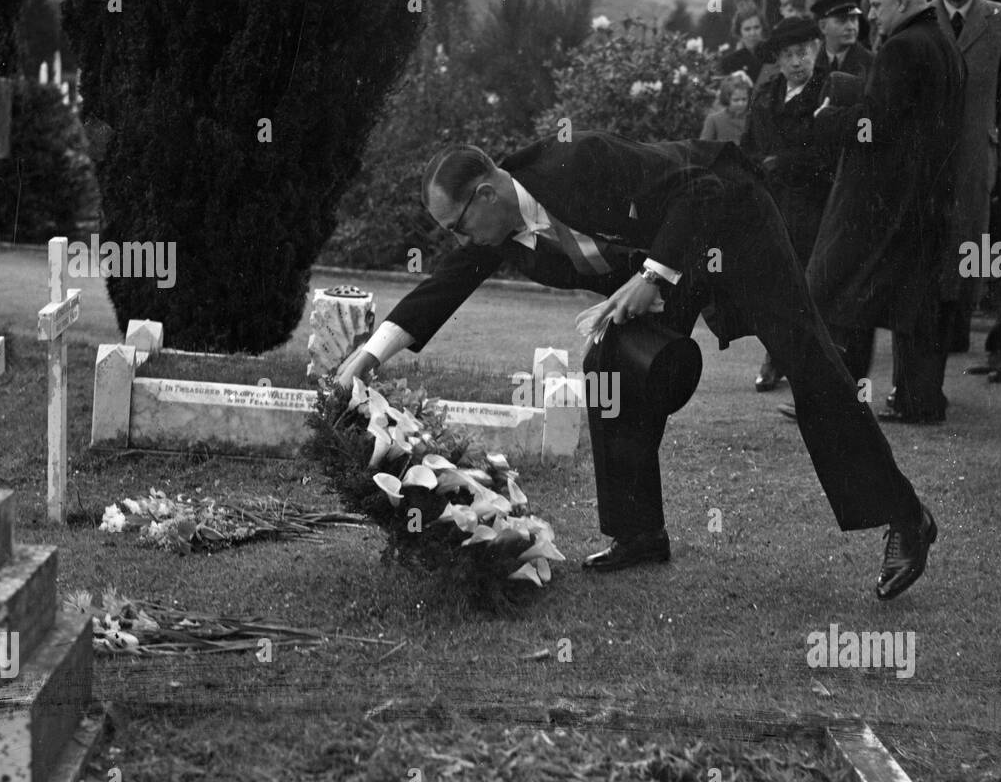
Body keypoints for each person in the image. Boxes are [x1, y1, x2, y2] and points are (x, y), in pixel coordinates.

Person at [334, 133, 939, 599]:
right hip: (667, 258)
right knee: (611, 366)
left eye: (458, 225)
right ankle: (639, 533)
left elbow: (703, 188)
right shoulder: (495, 231)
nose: (459, 240)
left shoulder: (577, 162)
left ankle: (905, 516)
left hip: (731, 219)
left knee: (810, 364)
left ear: (487, 194)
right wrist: (368, 355)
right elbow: (443, 285)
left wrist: (654, 277)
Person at [800, 0, 966, 425]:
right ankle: (918, 400)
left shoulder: (902, 47)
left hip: (887, 201)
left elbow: (876, 124)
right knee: (913, 307)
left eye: (875, 6)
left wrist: (828, 118)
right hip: (928, 198)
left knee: (847, 293)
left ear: (902, 2)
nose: (870, 16)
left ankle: (838, 399)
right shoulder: (944, 43)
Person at [917, 0, 1001, 380]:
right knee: (929, 248)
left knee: (984, 250)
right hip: (927, 163)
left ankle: (986, 341)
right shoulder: (920, 19)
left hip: (978, 161)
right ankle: (932, 345)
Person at [741, 18, 836, 392]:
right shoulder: (766, 93)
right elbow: (748, 143)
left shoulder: (826, 92)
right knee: (771, 282)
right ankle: (775, 356)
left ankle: (804, 364)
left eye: (803, 53)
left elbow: (828, 153)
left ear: (815, 50)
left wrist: (785, 163)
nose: (797, 62)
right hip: (768, 202)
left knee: (807, 285)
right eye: (788, 56)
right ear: (777, 60)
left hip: (809, 203)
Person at [812, 0, 873, 83]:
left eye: (853, 19)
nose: (851, 27)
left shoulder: (871, 62)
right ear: (823, 27)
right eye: (842, 20)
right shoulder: (811, 60)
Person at [719, 3, 765, 85]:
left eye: (756, 27)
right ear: (739, 32)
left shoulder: (773, 55)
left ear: (762, 28)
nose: (752, 33)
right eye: (747, 29)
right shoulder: (729, 62)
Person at [699, 71, 752, 144]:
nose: (741, 104)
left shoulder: (752, 119)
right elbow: (703, 148)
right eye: (736, 100)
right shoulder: (714, 120)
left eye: (744, 99)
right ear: (727, 99)